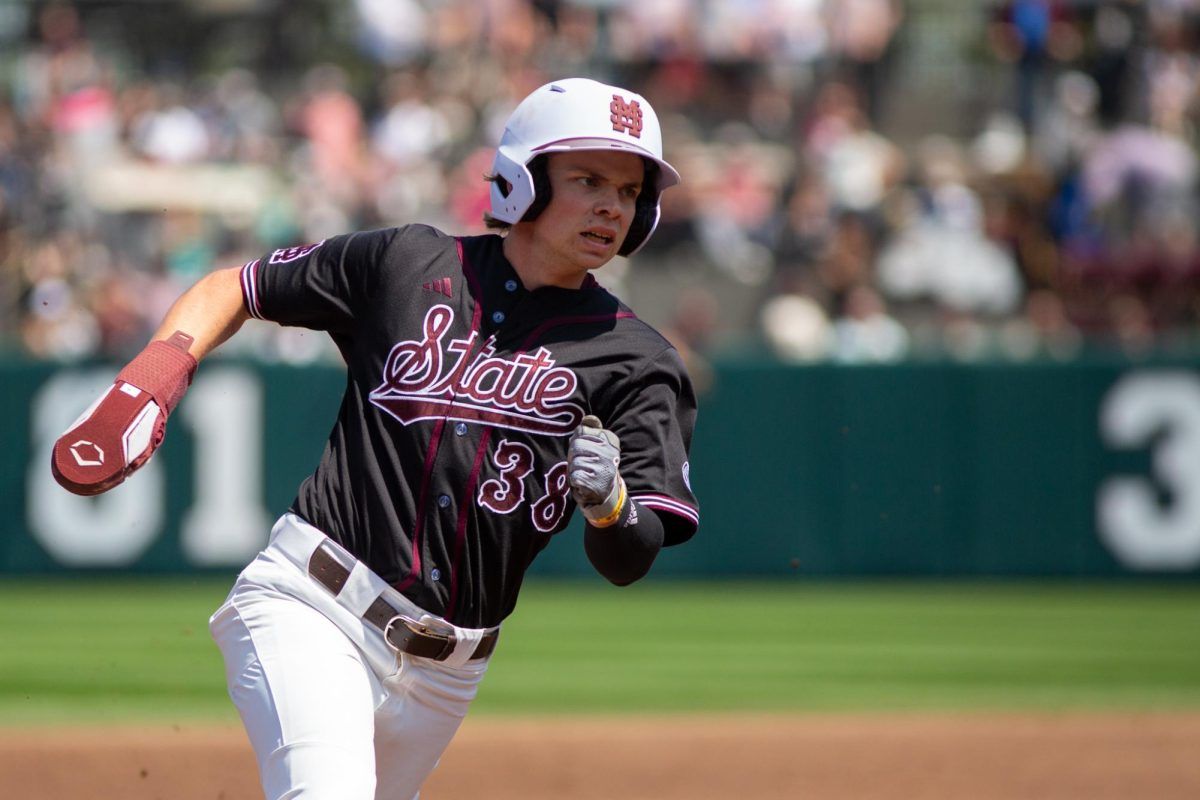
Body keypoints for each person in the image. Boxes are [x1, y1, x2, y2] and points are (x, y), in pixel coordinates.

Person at [49, 77, 699, 799]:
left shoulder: (639, 360)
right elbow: (235, 287)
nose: (613, 204)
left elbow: (630, 556)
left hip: (448, 678)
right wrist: (151, 381)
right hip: (312, 604)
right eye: (587, 179)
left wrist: (611, 506)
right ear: (525, 180)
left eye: (630, 190)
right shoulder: (408, 264)